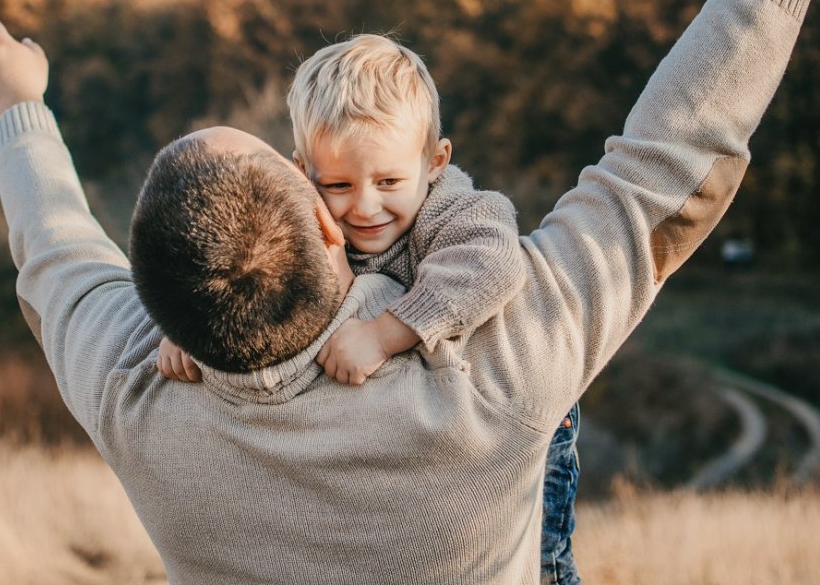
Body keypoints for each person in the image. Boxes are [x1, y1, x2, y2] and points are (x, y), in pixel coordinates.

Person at [0, 0, 820, 584]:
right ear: (320, 216)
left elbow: (55, 250)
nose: (365, 203)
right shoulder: (496, 365)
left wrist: (21, 107)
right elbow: (670, 167)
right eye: (327, 182)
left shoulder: (135, 388)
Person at [159, 31, 585, 582]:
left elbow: (493, 265)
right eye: (337, 183)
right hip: (414, 440)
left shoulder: (453, 210)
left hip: (520, 424)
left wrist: (388, 331)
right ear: (300, 171)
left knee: (544, 563)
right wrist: (188, 327)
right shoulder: (309, 219)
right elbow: (242, 273)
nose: (363, 206)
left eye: (388, 181)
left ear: (435, 160)